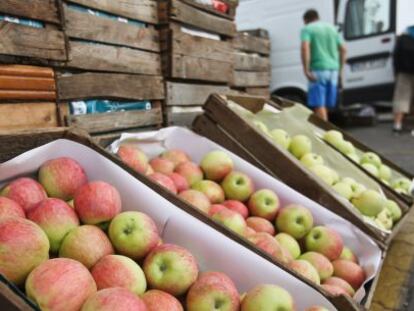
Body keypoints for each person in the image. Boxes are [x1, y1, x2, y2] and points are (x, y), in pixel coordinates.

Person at [300, 9, 347, 121]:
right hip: (333, 71)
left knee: (318, 104)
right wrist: (340, 71)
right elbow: (344, 50)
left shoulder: (307, 29)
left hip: (318, 70)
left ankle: (324, 132)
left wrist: (306, 69)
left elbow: (305, 48)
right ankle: (320, 129)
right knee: (325, 104)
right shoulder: (332, 29)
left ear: (306, 20)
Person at [392, 25, 414, 134]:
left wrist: (396, 72)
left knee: (401, 98)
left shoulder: (403, 38)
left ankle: (397, 125)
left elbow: (395, 55)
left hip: (404, 72)